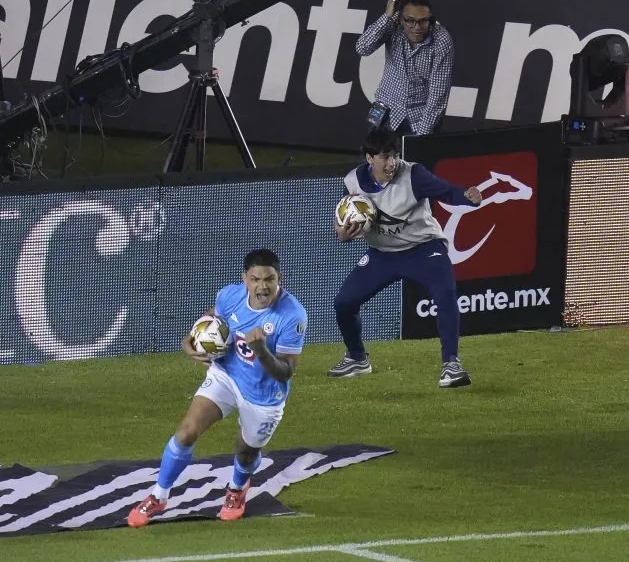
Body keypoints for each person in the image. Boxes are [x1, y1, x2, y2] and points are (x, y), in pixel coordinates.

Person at [127, 249, 308, 528]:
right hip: (226, 374)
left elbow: (286, 371)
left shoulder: (292, 315)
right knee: (186, 433)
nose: (263, 286)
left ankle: (237, 488)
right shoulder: (229, 296)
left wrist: (261, 351)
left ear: (279, 278)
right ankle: (158, 495)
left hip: (263, 394)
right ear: (245, 280)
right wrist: (189, 339)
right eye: (255, 279)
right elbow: (212, 317)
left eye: (269, 279)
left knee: (245, 452)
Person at [329, 129, 482, 388]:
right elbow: (343, 217)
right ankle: (357, 358)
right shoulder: (352, 181)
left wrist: (467, 197)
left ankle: (451, 365)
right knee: (344, 302)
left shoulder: (413, 175)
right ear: (370, 158)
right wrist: (342, 234)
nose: (392, 163)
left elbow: (446, 192)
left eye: (395, 155)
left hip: (424, 248)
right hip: (383, 255)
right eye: (385, 157)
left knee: (445, 293)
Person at [355, 0, 453, 137]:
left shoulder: (441, 40)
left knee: (416, 159)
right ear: (401, 19)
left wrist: (421, 136)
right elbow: (362, 48)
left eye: (423, 21)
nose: (417, 27)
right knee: (372, 159)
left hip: (420, 117)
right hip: (385, 109)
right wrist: (387, 16)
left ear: (430, 19)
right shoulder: (392, 25)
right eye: (410, 20)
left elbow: (438, 94)